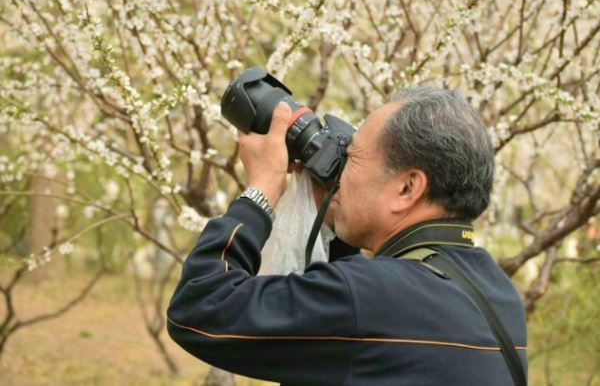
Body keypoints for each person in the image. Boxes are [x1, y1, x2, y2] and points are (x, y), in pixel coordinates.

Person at [167, 86, 527, 385]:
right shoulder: (499, 296)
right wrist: (333, 215)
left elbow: (199, 307)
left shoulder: (369, 298)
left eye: (352, 157)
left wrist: (263, 188)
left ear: (407, 188)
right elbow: (372, 346)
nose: (342, 171)